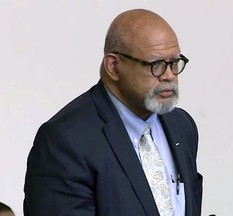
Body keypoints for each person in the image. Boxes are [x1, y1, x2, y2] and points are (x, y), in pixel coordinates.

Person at [24, 8, 203, 216]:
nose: (169, 76)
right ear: (114, 66)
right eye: (156, 65)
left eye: (174, 62)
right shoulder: (64, 142)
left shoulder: (182, 125)